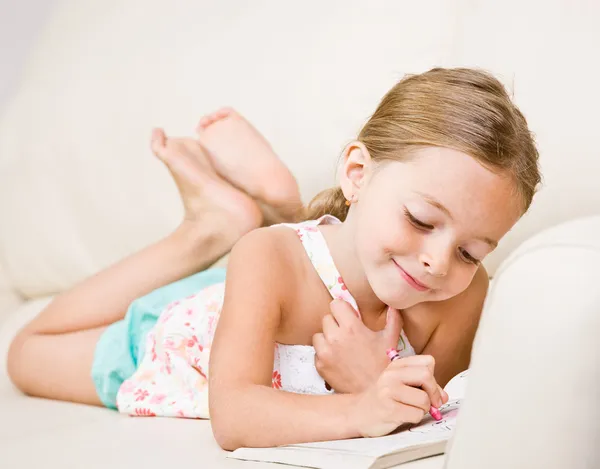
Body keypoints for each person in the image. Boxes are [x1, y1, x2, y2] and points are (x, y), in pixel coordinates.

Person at [7, 68, 541, 450]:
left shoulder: (463, 295)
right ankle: (206, 230)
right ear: (358, 174)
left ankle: (268, 212)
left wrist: (370, 379)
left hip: (271, 280)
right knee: (26, 354)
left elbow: (430, 420)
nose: (437, 263)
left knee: (284, 251)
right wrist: (360, 405)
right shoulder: (268, 259)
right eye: (422, 221)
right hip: (192, 338)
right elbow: (234, 417)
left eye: (470, 252)